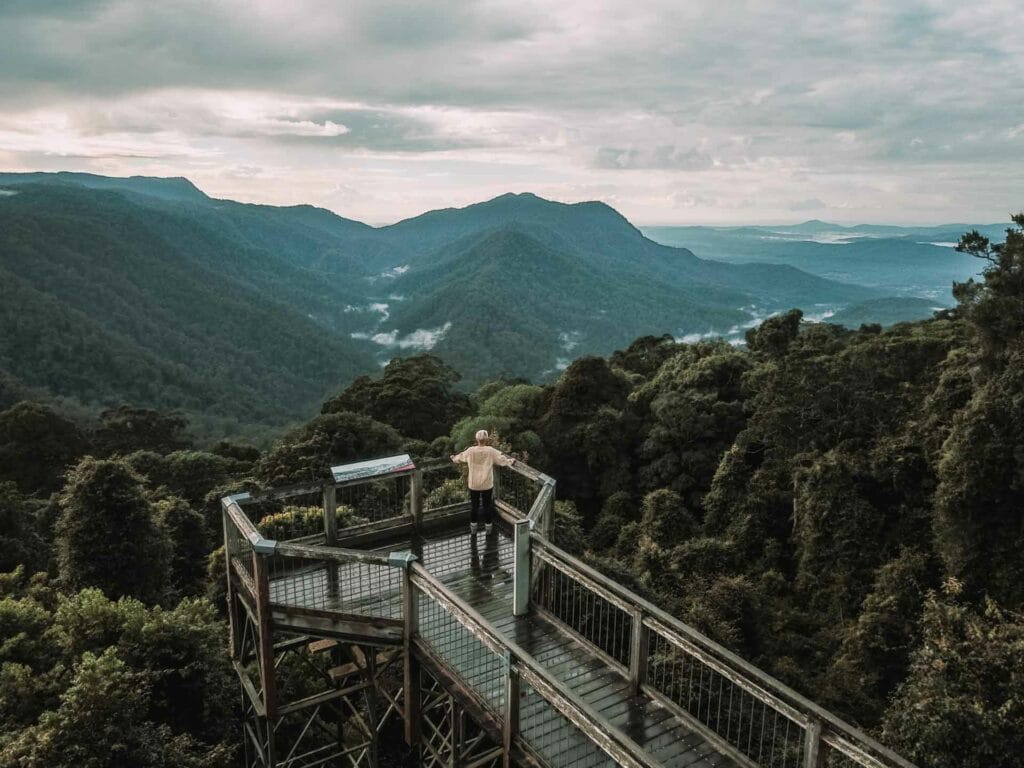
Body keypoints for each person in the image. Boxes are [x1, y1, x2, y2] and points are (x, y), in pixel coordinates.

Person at [451, 430, 515, 534]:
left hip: (474, 484)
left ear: (477, 439)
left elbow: (460, 457)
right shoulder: (490, 451)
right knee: (487, 506)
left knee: (474, 506)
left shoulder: (471, 451)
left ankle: (473, 530)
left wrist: (453, 458)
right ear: (486, 439)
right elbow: (502, 460)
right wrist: (510, 461)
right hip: (487, 484)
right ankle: (488, 529)